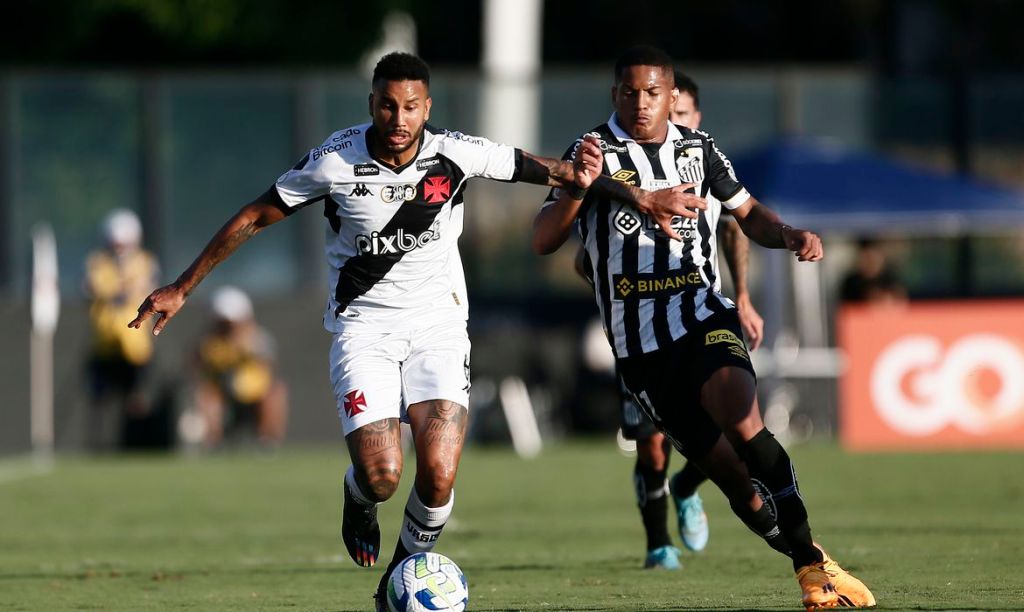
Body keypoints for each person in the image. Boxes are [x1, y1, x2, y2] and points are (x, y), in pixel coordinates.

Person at [128, 52, 696, 610]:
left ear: (426, 108)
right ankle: (358, 497)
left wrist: (641, 196)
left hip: (440, 327)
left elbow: (562, 172)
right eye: (386, 105)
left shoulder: (457, 152)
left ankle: (399, 578)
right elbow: (256, 214)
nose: (398, 119)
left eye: (410, 107)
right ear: (371, 105)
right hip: (363, 331)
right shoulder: (334, 160)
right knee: (382, 474)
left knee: (440, 474)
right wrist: (183, 285)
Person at [533, 45, 875, 609]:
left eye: (652, 93)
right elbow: (544, 240)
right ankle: (811, 556)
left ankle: (813, 577)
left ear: (672, 96)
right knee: (734, 480)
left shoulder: (698, 149)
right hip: (639, 346)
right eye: (629, 92)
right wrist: (578, 187)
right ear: (614, 94)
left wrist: (787, 233)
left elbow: (747, 214)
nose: (640, 104)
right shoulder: (590, 152)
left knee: (744, 418)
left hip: (701, 312)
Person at [611, 70, 768, 570]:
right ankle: (658, 544)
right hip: (641, 326)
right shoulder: (620, 166)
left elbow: (736, 227)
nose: (660, 117)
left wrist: (742, 296)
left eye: (675, 112)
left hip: (700, 312)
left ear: (690, 114)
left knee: (736, 424)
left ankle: (688, 486)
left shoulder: (702, 160)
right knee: (653, 443)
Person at [84, 208, 159, 450]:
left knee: (136, 398)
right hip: (104, 344)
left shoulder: (145, 262)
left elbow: (147, 285)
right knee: (100, 398)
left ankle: (137, 444)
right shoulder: (97, 263)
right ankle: (98, 446)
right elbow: (94, 288)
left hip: (136, 346)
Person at [193, 286, 288, 448]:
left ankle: (268, 441)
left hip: (254, 393)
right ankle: (213, 442)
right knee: (206, 396)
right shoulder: (207, 343)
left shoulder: (258, 339)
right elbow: (196, 367)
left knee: (275, 392)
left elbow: (270, 366)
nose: (228, 327)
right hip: (222, 392)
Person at [839, 237, 907, 305]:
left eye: (873, 259)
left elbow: (901, 303)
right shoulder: (851, 283)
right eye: (866, 259)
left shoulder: (891, 280)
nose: (870, 264)